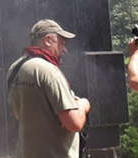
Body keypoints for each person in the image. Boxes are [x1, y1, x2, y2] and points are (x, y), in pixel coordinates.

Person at [7, 19, 90, 158]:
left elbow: (18, 113)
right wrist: (82, 105)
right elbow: (74, 123)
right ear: (48, 40)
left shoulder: (15, 68)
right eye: (62, 42)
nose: (64, 49)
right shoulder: (48, 71)